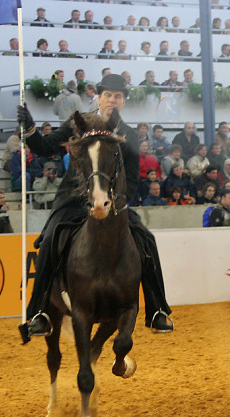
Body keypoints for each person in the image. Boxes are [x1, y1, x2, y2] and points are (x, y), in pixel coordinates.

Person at [16, 74, 174, 341]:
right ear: (99, 97)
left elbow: (132, 179)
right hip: (73, 201)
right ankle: (39, 312)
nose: (112, 100)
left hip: (113, 204)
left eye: (118, 96)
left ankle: (157, 309)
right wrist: (30, 128)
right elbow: (44, 147)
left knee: (146, 239)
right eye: (108, 95)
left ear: (123, 101)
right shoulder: (79, 123)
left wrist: (116, 204)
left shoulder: (129, 135)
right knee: (51, 239)